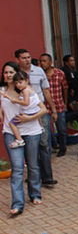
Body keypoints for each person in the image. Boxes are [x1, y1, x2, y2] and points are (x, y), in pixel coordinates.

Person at [1, 62, 48, 215]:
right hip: (10, 133)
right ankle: (17, 204)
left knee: (33, 165)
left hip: (31, 132)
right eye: (5, 72)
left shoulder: (26, 90)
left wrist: (30, 118)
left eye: (11, 72)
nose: (8, 75)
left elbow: (43, 109)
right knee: (17, 168)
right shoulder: (1, 91)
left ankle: (35, 194)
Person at [15, 49, 58, 188]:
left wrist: (53, 109)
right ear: (17, 60)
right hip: (22, 113)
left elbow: (46, 90)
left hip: (40, 112)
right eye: (23, 58)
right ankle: (34, 175)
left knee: (44, 143)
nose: (27, 60)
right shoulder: (13, 73)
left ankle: (47, 177)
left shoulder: (39, 71)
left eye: (29, 57)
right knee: (28, 144)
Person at [39, 53, 68, 158]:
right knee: (46, 129)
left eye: (44, 61)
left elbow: (65, 88)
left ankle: (63, 147)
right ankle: (49, 148)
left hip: (59, 104)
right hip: (45, 106)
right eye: (41, 61)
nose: (42, 63)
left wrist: (65, 102)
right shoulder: (39, 74)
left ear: (50, 62)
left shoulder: (59, 73)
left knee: (61, 128)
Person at [5, 71, 42, 149]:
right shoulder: (30, 89)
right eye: (16, 83)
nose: (18, 85)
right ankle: (41, 127)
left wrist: (16, 101)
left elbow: (26, 103)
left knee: (11, 123)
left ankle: (19, 140)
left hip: (28, 113)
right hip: (34, 111)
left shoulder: (25, 91)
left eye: (20, 82)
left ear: (27, 80)